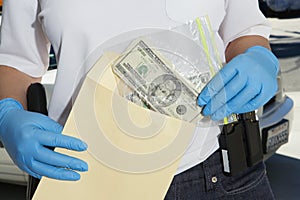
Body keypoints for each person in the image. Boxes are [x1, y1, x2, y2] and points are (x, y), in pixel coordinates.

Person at [0, 0, 278, 199]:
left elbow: (244, 30)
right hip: (90, 177)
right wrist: (8, 114)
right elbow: (16, 62)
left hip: (216, 172)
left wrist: (258, 57)